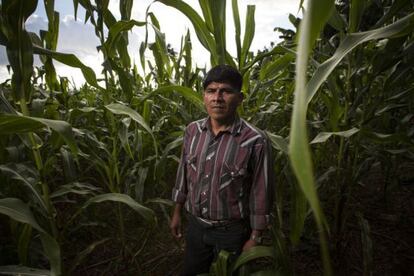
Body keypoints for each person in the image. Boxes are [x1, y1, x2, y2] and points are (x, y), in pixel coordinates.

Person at [170, 64, 274, 275]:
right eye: (211, 91)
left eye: (225, 91)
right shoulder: (192, 131)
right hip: (196, 228)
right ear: (204, 96)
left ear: (240, 98)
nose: (217, 97)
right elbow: (184, 173)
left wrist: (255, 237)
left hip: (233, 233)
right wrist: (177, 212)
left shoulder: (255, 140)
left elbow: (261, 192)